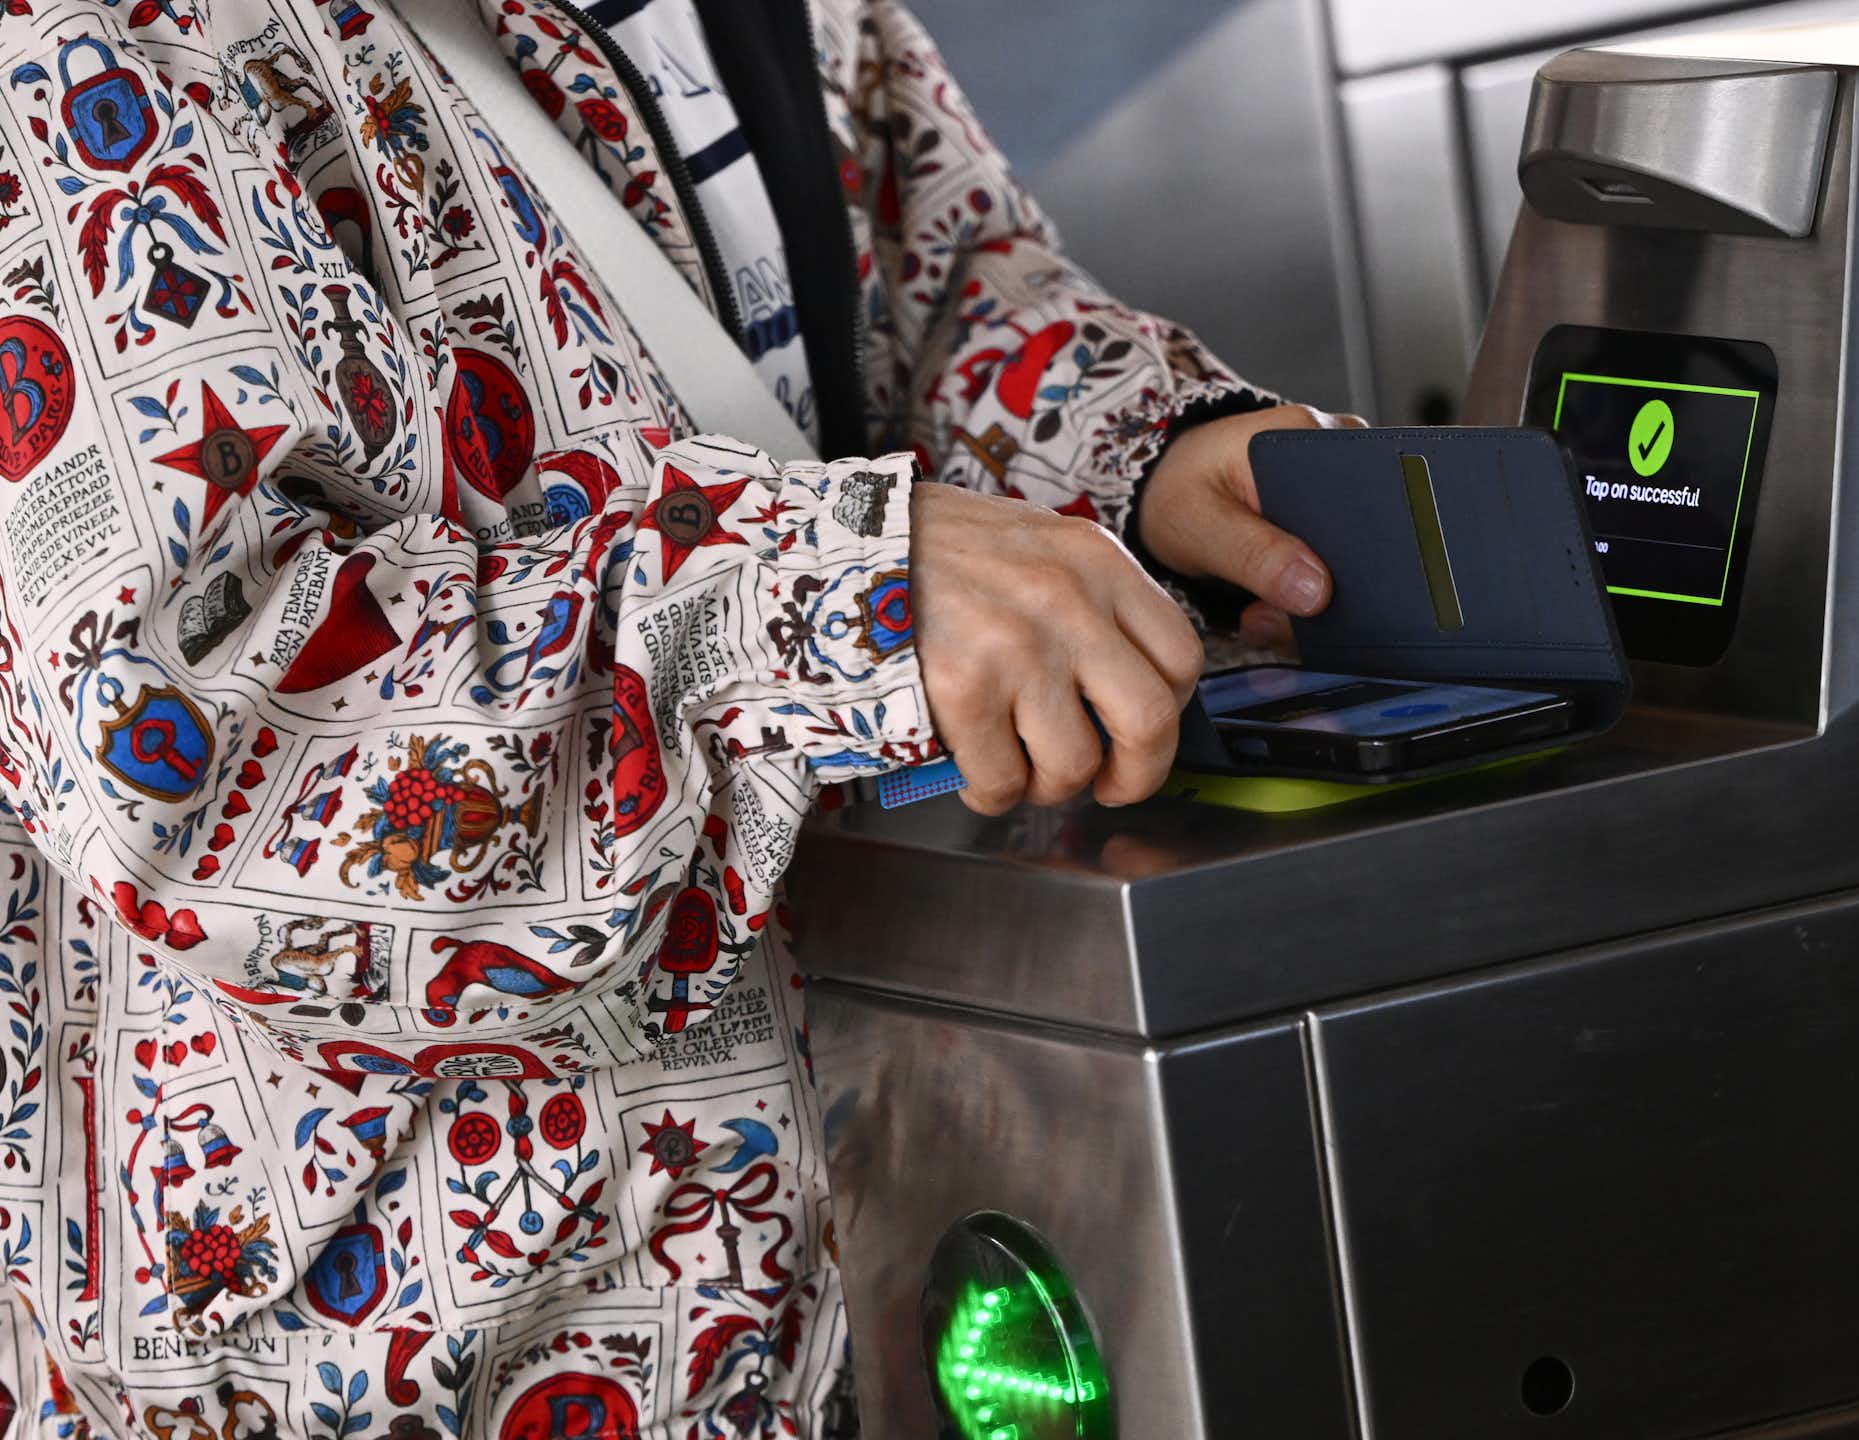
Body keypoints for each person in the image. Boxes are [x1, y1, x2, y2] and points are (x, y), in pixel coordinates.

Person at [0, 0, 1348, 1430]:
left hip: (864, 1242)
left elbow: (925, 288)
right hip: (415, 1348)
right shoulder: (72, 36)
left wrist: (1149, 453)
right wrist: (835, 592)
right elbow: (209, 757)